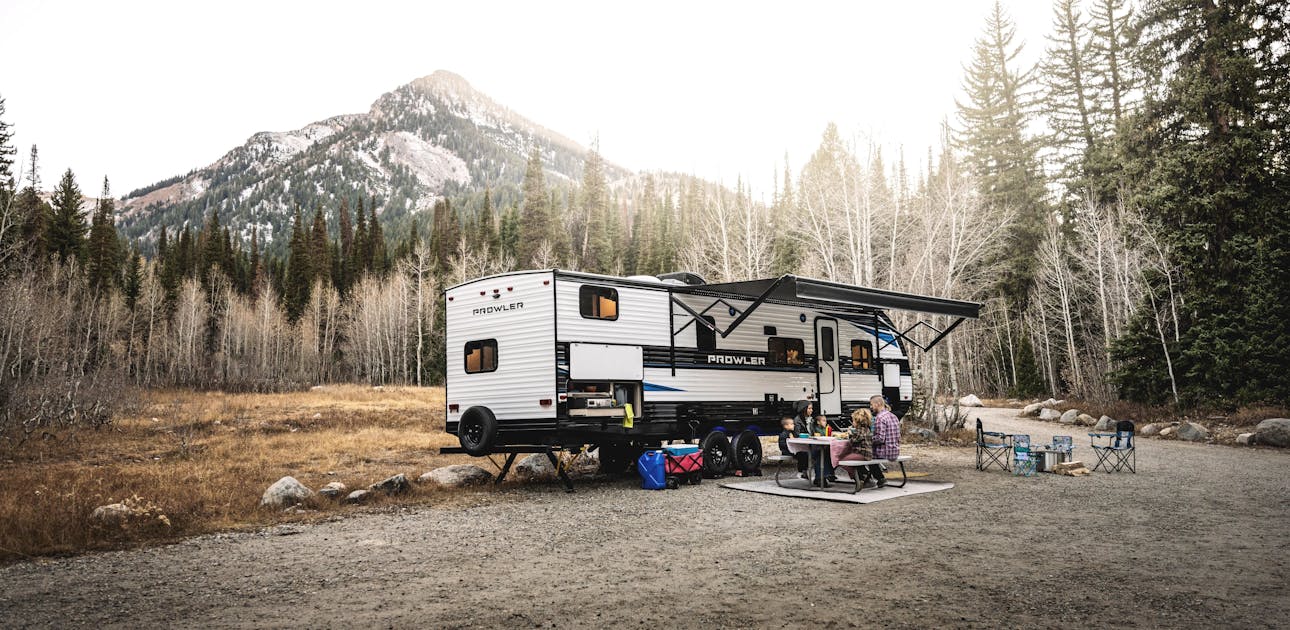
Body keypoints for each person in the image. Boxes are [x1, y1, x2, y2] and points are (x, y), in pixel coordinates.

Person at [837, 409, 883, 485]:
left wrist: (849, 434)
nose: (852, 423)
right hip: (867, 454)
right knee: (848, 458)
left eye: (853, 421)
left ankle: (859, 477)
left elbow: (852, 441)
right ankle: (863, 475)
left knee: (841, 461)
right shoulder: (867, 428)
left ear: (858, 421)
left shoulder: (860, 430)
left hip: (862, 454)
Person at [869, 395, 900, 487]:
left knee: (863, 454)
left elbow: (880, 438)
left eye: (871, 404)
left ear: (877, 404)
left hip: (884, 453)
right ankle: (874, 478)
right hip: (895, 451)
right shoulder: (893, 416)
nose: (870, 407)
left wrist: (867, 439)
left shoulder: (879, 418)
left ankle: (876, 478)